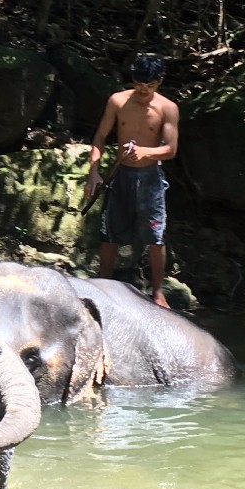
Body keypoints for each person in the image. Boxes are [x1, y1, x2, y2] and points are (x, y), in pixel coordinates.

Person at [82, 54, 181, 305]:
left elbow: (170, 149)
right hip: (121, 174)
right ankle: (103, 285)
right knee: (109, 233)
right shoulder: (117, 101)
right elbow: (100, 138)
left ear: (159, 82)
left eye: (150, 85)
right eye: (138, 84)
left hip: (150, 178)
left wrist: (146, 152)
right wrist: (93, 172)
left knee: (155, 236)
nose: (143, 90)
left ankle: (158, 292)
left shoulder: (167, 108)